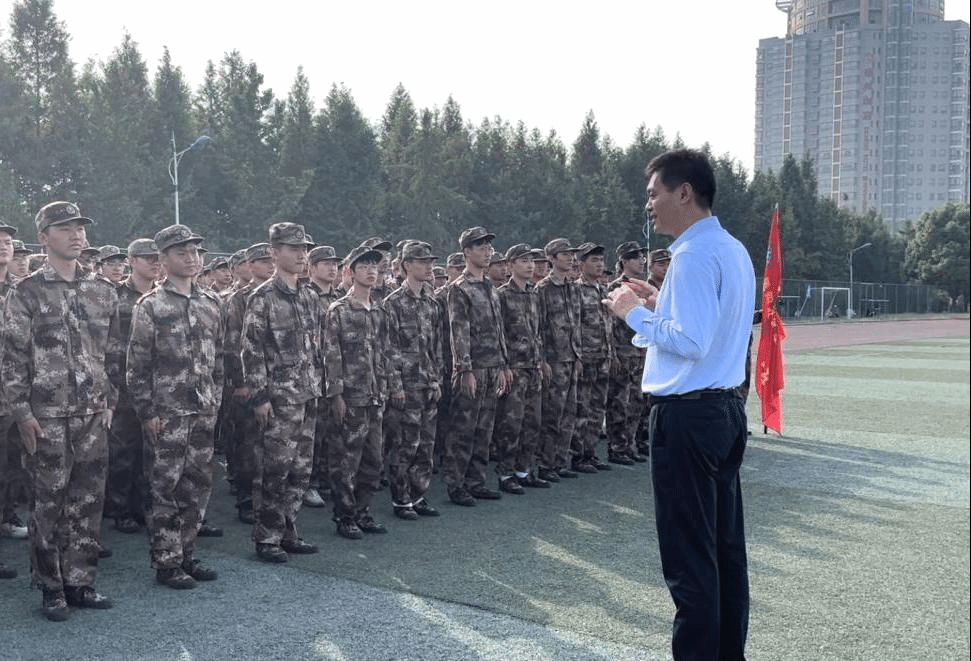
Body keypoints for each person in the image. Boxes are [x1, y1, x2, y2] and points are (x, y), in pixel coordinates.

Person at [603, 149, 754, 660]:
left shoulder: (690, 256)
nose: (648, 204)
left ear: (683, 193)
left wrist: (632, 313)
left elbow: (691, 342)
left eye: (654, 193)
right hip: (724, 410)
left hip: (688, 416)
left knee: (690, 559)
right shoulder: (731, 248)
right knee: (724, 552)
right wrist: (658, 303)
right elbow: (708, 327)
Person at [3, 201, 119, 620]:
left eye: (80, 228)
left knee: (88, 500)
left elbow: (112, 352)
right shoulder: (26, 291)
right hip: (46, 417)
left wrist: (110, 400)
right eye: (65, 228)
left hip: (92, 413)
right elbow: (12, 358)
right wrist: (21, 413)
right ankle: (51, 586)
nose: (76, 235)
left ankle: (80, 582)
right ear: (43, 237)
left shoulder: (102, 289)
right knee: (49, 503)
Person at [125, 225, 224, 589]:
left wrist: (215, 401)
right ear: (163, 259)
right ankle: (167, 562)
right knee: (164, 488)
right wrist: (147, 412)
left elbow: (219, 361)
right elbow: (136, 367)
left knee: (198, 485)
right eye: (182, 252)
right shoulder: (150, 305)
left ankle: (187, 553)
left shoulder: (211, 302)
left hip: (202, 411)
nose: (191, 258)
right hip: (166, 413)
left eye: (195, 252)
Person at [242, 223, 321, 563]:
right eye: (293, 248)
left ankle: (289, 530)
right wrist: (259, 398)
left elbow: (316, 348)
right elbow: (251, 351)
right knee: (275, 471)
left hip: (307, 395)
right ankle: (267, 538)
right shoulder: (262, 297)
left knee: (301, 471)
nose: (302, 255)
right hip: (278, 400)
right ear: (275, 253)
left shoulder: (309, 296)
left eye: (304, 249)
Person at [323, 245, 390, 539]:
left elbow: (385, 353)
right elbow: (330, 355)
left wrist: (386, 389)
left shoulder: (379, 309)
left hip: (375, 397)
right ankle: (345, 516)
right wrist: (336, 395)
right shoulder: (339, 310)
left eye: (374, 266)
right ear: (350, 273)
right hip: (350, 398)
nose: (371, 272)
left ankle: (363, 512)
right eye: (364, 266)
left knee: (373, 461)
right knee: (346, 462)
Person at [442, 227, 511, 506]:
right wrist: (464, 370)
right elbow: (458, 332)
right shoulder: (460, 288)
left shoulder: (490, 287)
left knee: (484, 429)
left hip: (492, 367)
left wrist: (503, 364)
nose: (487, 252)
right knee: (463, 429)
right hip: (472, 369)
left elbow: (498, 329)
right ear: (467, 252)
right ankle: (456, 485)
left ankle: (476, 481)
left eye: (488, 247)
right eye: (481, 247)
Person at [103, 238, 160, 535]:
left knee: (153, 452)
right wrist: (112, 386)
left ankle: (144, 506)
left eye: (157, 258)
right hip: (124, 385)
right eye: (148, 258)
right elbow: (107, 344)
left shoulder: (163, 295)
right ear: (132, 261)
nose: (155, 263)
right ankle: (120, 509)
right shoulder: (115, 296)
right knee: (123, 451)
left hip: (158, 386)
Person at [383, 241, 443, 519]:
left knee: (426, 446)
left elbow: (436, 346)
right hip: (405, 387)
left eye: (430, 261)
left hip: (427, 384)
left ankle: (418, 495)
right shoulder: (393, 303)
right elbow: (388, 349)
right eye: (422, 261)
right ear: (406, 265)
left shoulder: (431, 302)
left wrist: (437, 379)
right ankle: (401, 499)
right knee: (404, 446)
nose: (429, 266)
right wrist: (395, 386)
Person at [493, 243, 550, 493]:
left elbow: (539, 332)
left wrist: (542, 360)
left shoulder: (535, 294)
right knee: (511, 424)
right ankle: (505, 474)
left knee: (532, 422)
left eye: (531, 261)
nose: (530, 266)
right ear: (510, 265)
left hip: (533, 368)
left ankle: (524, 470)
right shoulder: (502, 295)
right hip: (514, 369)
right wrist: (503, 366)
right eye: (524, 261)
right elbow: (498, 335)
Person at [535, 238, 582, 482]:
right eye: (565, 254)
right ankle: (545, 464)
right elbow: (538, 327)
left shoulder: (573, 287)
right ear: (552, 259)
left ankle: (560, 462)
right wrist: (542, 360)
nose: (570, 258)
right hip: (553, 360)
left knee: (569, 413)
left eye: (572, 254)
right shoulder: (543, 288)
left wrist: (578, 355)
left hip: (571, 358)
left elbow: (576, 325)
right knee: (552, 415)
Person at [305, 245, 344, 509]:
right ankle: (310, 483)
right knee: (314, 433)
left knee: (334, 430)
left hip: (337, 373)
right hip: (315, 374)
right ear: (312, 267)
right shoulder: (306, 296)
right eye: (326, 263)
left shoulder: (340, 297)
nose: (332, 268)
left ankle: (328, 478)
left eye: (335, 264)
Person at [605, 241, 650, 465]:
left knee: (637, 401)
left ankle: (630, 444)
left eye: (643, 257)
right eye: (636, 257)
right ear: (624, 261)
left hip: (640, 352)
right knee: (619, 402)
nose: (642, 261)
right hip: (622, 352)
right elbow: (608, 324)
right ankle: (617, 447)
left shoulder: (644, 287)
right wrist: (612, 352)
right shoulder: (615, 288)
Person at [571, 242, 614, 473]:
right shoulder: (576, 290)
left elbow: (608, 325)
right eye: (594, 260)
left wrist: (611, 353)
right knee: (582, 408)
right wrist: (577, 356)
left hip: (603, 357)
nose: (599, 265)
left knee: (598, 408)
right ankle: (578, 456)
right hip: (585, 358)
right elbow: (573, 327)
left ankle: (590, 452)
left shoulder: (603, 290)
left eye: (601, 260)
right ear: (581, 264)